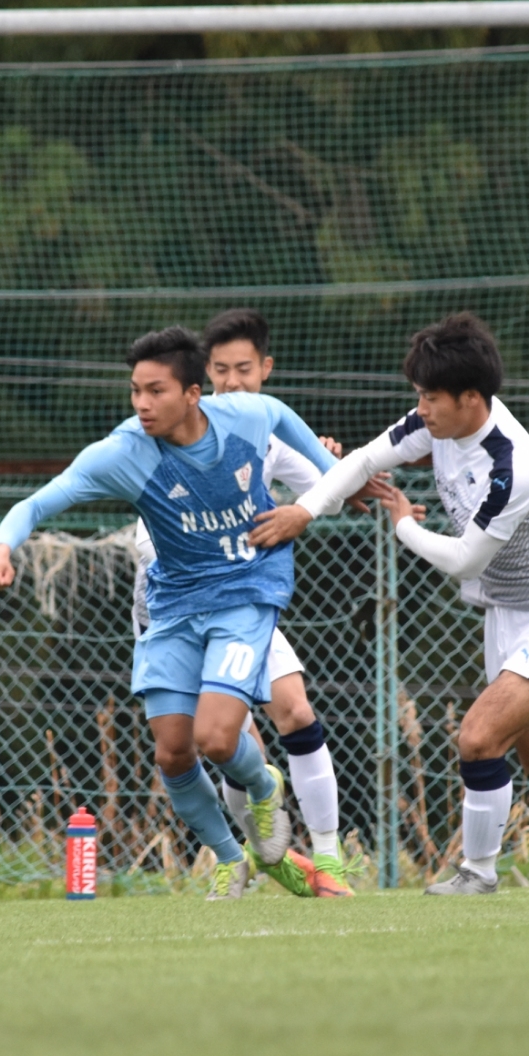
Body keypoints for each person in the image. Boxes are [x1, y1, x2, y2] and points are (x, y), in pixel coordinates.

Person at [250, 313, 529, 892]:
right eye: (419, 395)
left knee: (478, 737)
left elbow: (464, 560)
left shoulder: (512, 468)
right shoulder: (434, 424)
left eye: (431, 397)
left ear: (470, 398)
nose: (421, 408)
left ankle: (478, 874)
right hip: (504, 616)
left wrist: (403, 525)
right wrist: (304, 510)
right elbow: (362, 461)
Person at [0, 326, 340, 900]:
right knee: (172, 752)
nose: (142, 404)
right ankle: (230, 859)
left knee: (217, 738)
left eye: (156, 391)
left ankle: (265, 790)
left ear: (193, 394)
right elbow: (38, 502)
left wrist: (333, 476)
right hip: (172, 609)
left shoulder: (245, 416)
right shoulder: (124, 452)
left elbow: (287, 422)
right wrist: (1, 549)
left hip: (245, 596)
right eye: (135, 390)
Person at [191, 308, 353, 898]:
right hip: (178, 608)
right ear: (204, 374)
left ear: (266, 369)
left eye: (243, 369)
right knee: (230, 748)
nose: (232, 383)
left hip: (244, 603)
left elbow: (333, 490)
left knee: (296, 711)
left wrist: (324, 465)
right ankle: (257, 857)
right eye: (220, 371)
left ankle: (330, 858)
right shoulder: (178, 427)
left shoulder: (268, 430)